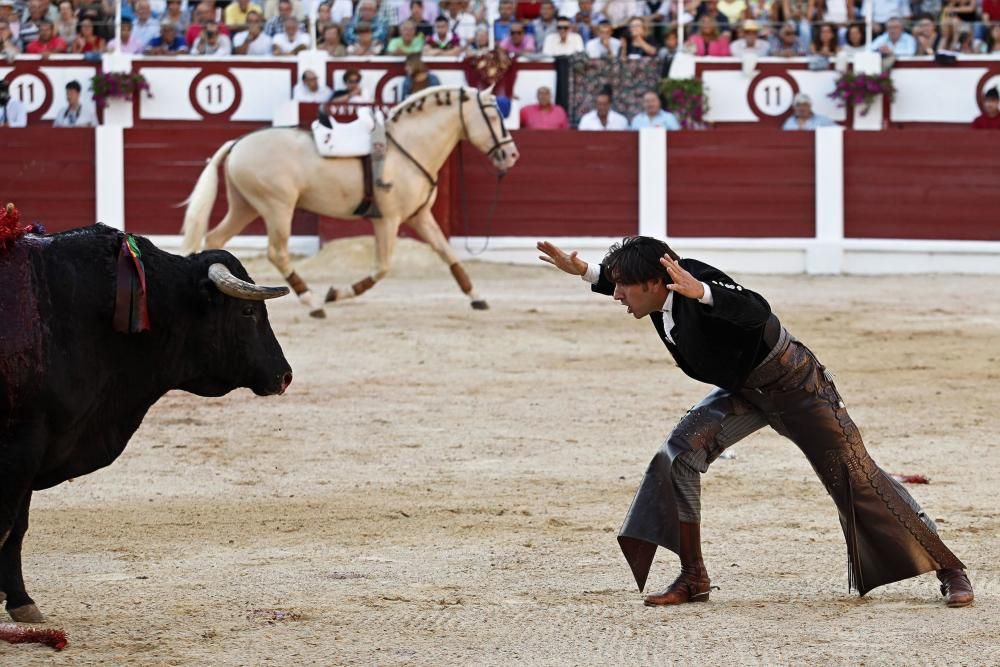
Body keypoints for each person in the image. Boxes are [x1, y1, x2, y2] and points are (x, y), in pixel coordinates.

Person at [535, 236, 975, 609]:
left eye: (622, 288)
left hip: (795, 385)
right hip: (743, 391)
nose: (616, 297)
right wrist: (587, 272)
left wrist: (705, 294)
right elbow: (627, 286)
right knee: (680, 456)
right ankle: (693, 577)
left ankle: (949, 567)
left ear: (655, 282)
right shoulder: (655, 293)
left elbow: (755, 310)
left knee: (855, 476)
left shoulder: (691, 280)